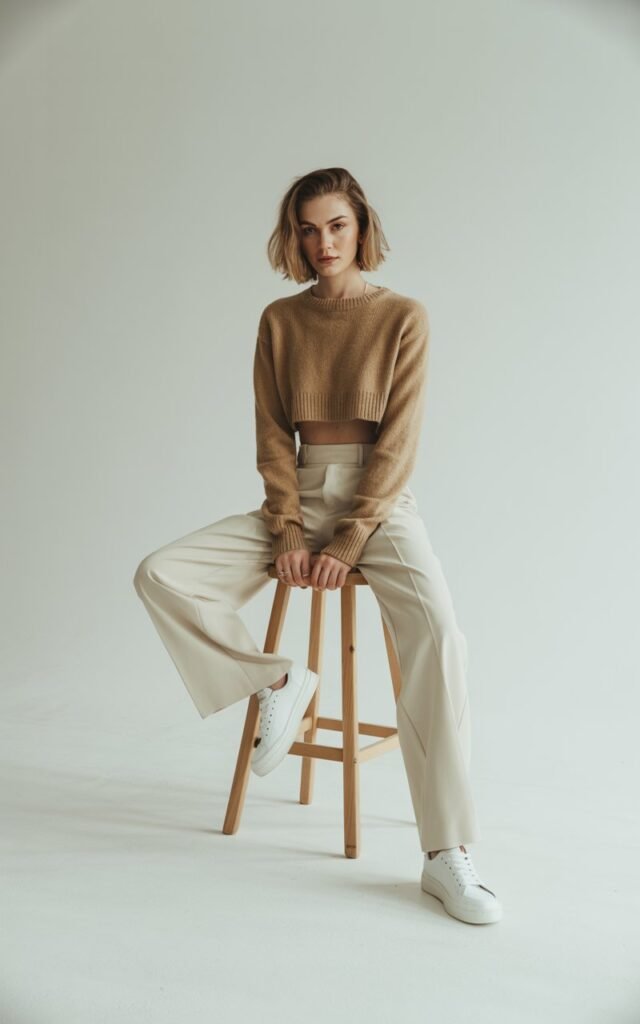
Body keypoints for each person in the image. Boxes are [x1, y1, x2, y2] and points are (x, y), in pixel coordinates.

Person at [133, 166, 502, 926]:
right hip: (301, 491)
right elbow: (272, 437)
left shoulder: (404, 316)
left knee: (439, 635)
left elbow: (397, 445)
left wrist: (354, 535)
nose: (322, 241)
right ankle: (275, 682)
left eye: (336, 225)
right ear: (294, 236)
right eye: (308, 228)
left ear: (361, 227)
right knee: (162, 573)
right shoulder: (280, 320)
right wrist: (292, 528)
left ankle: (447, 854)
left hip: (380, 500)